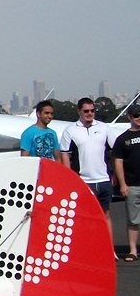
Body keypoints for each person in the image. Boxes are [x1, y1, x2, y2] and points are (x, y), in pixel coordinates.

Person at [60, 97, 116, 255]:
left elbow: (114, 152)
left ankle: (109, 250)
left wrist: (114, 174)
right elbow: (65, 155)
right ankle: (86, 250)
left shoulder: (104, 128)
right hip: (84, 181)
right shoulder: (70, 130)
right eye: (86, 111)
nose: (89, 114)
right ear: (79, 112)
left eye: (92, 111)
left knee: (106, 214)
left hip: (104, 179)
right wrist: (70, 179)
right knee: (84, 218)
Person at [111, 104, 140, 261]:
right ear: (129, 117)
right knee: (133, 220)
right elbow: (118, 162)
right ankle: (133, 250)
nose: (139, 118)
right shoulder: (122, 139)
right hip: (132, 184)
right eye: (136, 115)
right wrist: (122, 184)